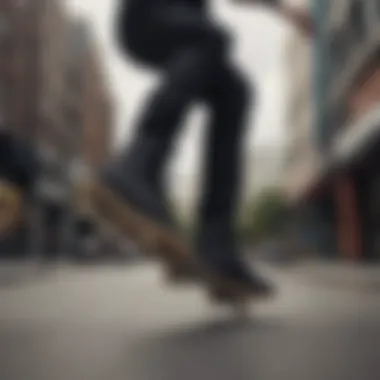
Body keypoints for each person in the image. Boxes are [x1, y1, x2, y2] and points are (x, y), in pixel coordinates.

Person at [93, 0, 312, 298]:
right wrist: (280, 8)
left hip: (177, 27)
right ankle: (138, 165)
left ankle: (217, 245)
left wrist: (280, 9)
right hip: (148, 13)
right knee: (210, 38)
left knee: (234, 92)